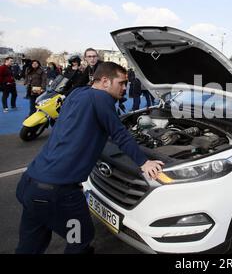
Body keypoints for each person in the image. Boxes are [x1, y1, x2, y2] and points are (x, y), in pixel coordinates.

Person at [15, 62, 164, 254]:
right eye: (121, 83)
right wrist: (144, 162)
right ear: (104, 81)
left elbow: (81, 123)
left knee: (30, 245)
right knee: (80, 238)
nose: (125, 87)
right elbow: (119, 134)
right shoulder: (101, 98)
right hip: (58, 194)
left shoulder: (78, 93)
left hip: (30, 186)